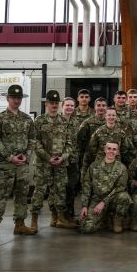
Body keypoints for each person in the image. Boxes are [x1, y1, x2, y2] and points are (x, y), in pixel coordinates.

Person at [0, 84, 37, 240]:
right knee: (0, 196)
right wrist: (10, 157)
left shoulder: (27, 119)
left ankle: (20, 225)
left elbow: (32, 139)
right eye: (13, 97)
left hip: (22, 165)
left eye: (19, 98)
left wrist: (26, 156)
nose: (16, 100)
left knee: (22, 195)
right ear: (8, 98)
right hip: (6, 165)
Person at [31, 90, 76, 231]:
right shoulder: (39, 121)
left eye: (57, 103)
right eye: (52, 103)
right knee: (40, 191)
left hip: (60, 164)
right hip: (43, 163)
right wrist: (47, 157)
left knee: (59, 191)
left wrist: (62, 157)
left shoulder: (64, 121)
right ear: (46, 104)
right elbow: (34, 142)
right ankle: (34, 220)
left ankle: (58, 218)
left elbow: (70, 144)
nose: (54, 105)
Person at [79, 141, 132, 234]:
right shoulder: (94, 166)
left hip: (113, 200)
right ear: (104, 150)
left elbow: (120, 188)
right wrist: (84, 206)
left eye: (114, 149)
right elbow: (87, 186)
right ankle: (104, 219)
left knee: (124, 197)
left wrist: (104, 202)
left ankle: (117, 220)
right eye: (109, 148)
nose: (111, 151)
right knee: (86, 228)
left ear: (118, 152)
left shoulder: (122, 168)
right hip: (96, 200)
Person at [85, 108, 135, 173]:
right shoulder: (98, 132)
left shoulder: (121, 132)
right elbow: (91, 150)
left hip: (116, 165)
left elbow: (126, 148)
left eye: (113, 115)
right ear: (105, 116)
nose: (111, 117)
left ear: (116, 117)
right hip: (100, 164)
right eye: (109, 115)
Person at [75, 97, 107, 178]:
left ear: (106, 107)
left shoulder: (110, 122)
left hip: (107, 158)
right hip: (90, 158)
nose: (101, 108)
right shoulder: (87, 123)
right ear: (95, 107)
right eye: (99, 105)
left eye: (103, 105)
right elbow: (79, 141)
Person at [62, 97, 83, 217]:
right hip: (60, 160)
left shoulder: (76, 123)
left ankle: (69, 214)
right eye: (67, 105)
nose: (69, 108)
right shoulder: (57, 121)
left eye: (71, 106)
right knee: (59, 189)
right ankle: (59, 216)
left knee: (71, 187)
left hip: (73, 160)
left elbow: (78, 141)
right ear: (62, 106)